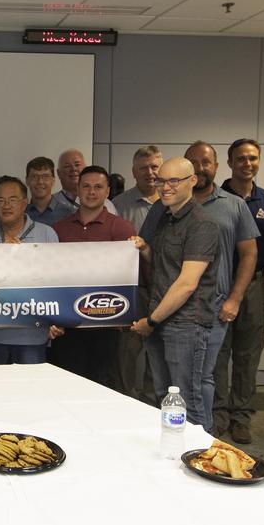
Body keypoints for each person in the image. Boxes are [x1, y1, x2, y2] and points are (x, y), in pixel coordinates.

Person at [129, 158, 218, 427]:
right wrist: (145, 249)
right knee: (163, 397)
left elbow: (187, 284)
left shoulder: (202, 223)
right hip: (160, 318)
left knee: (186, 403)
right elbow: (164, 265)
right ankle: (172, 458)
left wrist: (151, 321)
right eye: (161, 181)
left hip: (185, 323)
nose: (165, 187)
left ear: (192, 181)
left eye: (173, 181)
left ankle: (198, 460)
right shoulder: (164, 218)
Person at [179, 141, 258, 434]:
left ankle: (204, 435)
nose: (200, 169)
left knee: (205, 376)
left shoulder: (234, 205)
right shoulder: (171, 203)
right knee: (179, 376)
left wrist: (235, 299)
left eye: (206, 162)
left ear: (216, 166)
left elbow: (250, 254)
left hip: (215, 305)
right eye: (193, 162)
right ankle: (181, 432)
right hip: (176, 306)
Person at [213, 139, 264, 443]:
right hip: (218, 284)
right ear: (229, 162)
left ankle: (241, 417)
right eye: (241, 158)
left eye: (252, 158)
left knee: (248, 354)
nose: (247, 164)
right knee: (216, 354)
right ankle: (216, 414)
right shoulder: (215, 197)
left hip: (255, 284)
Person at [51, 165, 135, 383]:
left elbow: (131, 277)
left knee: (104, 386)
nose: (91, 192)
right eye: (86, 186)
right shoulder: (59, 229)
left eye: (98, 187)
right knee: (66, 384)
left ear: (107, 191)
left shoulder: (123, 229)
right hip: (67, 324)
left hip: (106, 322)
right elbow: (49, 275)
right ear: (77, 190)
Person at [0, 175, 63, 364]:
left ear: (24, 203)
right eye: (0, 200)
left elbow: (55, 281)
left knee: (30, 390)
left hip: (32, 334)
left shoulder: (46, 234)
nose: (6, 205)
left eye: (12, 199)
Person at [112, 145, 163, 403]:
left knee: (159, 354)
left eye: (155, 167)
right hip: (132, 290)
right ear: (133, 172)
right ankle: (127, 404)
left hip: (166, 291)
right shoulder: (118, 205)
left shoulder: (172, 202)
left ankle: (155, 406)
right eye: (144, 168)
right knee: (128, 355)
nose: (150, 172)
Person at [56, 148, 115, 213]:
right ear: (59, 173)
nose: (73, 169)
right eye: (67, 166)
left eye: (77, 165)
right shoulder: (51, 202)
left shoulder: (107, 204)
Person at [23, 155, 75, 227]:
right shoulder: (21, 213)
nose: (40, 181)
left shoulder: (69, 213)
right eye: (34, 176)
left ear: (53, 181)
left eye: (45, 176)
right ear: (27, 181)